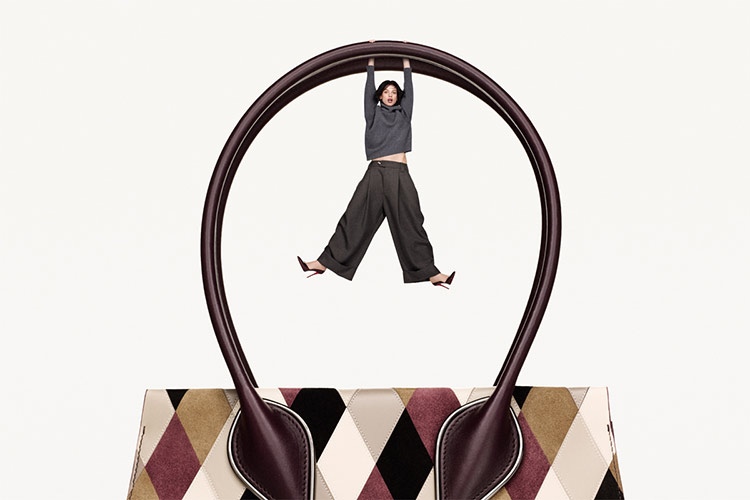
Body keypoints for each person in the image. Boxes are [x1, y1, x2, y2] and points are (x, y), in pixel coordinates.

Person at [298, 47, 454, 288]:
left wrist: (406, 60)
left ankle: (431, 273)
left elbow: (410, 90)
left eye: (394, 92)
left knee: (411, 221)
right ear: (379, 96)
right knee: (354, 216)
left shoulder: (404, 114)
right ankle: (323, 262)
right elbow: (367, 90)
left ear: (399, 96)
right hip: (375, 172)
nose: (390, 95)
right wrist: (370, 60)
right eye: (386, 92)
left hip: (399, 175)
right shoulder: (372, 114)